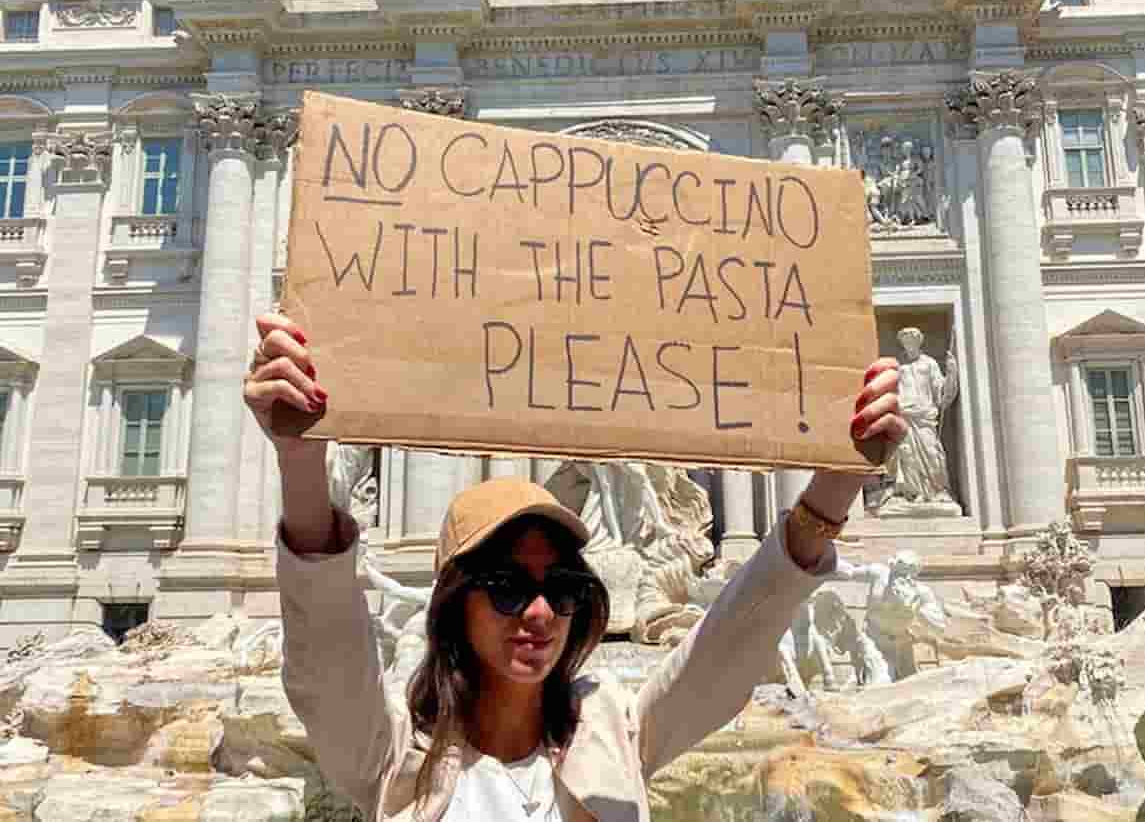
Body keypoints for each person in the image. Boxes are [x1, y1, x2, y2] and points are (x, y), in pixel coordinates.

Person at [243, 312, 906, 822]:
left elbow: (733, 643)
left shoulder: (616, 730)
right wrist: (298, 459)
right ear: (453, 604)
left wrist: (837, 483)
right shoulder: (393, 754)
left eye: (560, 587)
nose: (538, 611)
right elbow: (326, 653)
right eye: (505, 587)